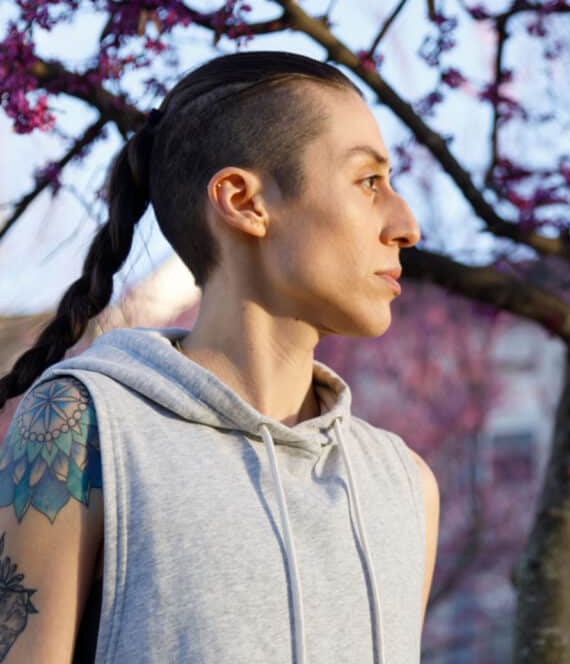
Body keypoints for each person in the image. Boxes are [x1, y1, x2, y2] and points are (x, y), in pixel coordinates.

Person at [0, 51, 440, 664]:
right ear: (243, 201)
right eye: (369, 181)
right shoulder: (81, 427)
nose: (406, 224)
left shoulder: (404, 484)